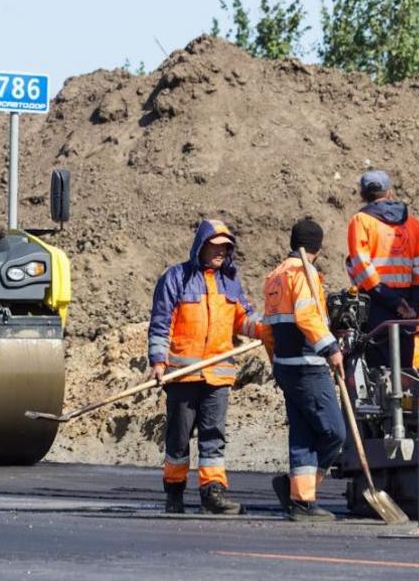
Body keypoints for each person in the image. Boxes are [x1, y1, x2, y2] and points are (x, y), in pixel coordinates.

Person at [147, 219, 267, 515]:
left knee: (214, 435)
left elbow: (243, 320)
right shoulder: (177, 278)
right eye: (215, 246)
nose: (221, 252)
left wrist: (269, 330)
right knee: (178, 437)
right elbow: (161, 324)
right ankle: (174, 493)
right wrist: (159, 362)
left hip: (218, 373)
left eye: (226, 247)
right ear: (201, 246)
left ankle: (212, 492)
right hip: (183, 374)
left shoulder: (230, 281)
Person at [262, 218, 347, 522]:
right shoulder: (305, 273)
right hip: (308, 366)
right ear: (318, 249)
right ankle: (301, 493)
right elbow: (308, 317)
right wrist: (331, 348)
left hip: (286, 367)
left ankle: (299, 498)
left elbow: (267, 329)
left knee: (302, 435)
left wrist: (275, 363)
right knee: (334, 432)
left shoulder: (274, 276)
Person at [346, 170, 419, 368]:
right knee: (404, 370)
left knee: (379, 371)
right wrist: (414, 307)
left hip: (377, 303)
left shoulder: (360, 221)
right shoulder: (411, 223)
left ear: (362, 195)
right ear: (389, 192)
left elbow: (363, 268)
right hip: (409, 305)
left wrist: (395, 303)